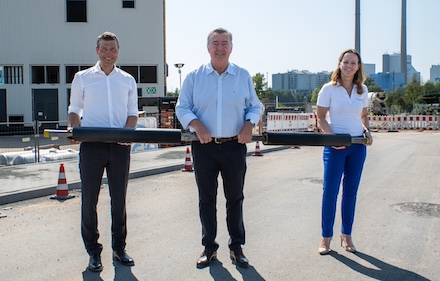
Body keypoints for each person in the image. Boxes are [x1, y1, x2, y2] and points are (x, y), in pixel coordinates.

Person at [175, 27, 263, 269]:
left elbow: (255, 107)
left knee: (235, 198)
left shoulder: (243, 76)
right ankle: (209, 248)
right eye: (215, 43)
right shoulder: (194, 77)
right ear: (208, 47)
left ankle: (237, 247)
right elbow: (182, 107)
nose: (220, 48)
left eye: (225, 43)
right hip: (204, 147)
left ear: (231, 48)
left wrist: (248, 124)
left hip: (234, 146)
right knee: (206, 199)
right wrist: (196, 124)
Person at [68, 31, 139, 272]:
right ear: (97, 51)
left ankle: (119, 249)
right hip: (92, 146)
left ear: (118, 51)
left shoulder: (128, 80)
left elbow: (132, 113)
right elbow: (74, 109)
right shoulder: (82, 77)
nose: (109, 54)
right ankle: (93, 252)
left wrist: (128, 136)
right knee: (89, 200)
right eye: (104, 49)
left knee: (119, 201)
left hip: (120, 147)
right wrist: (74, 129)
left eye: (113, 49)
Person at [316, 49, 373, 255]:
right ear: (339, 64)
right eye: (346, 62)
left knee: (350, 193)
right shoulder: (328, 89)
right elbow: (321, 117)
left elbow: (364, 115)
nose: (349, 66)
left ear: (358, 67)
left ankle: (346, 235)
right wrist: (332, 138)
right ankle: (325, 238)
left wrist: (367, 130)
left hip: (357, 146)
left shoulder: (362, 90)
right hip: (335, 147)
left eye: (353, 63)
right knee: (330, 193)